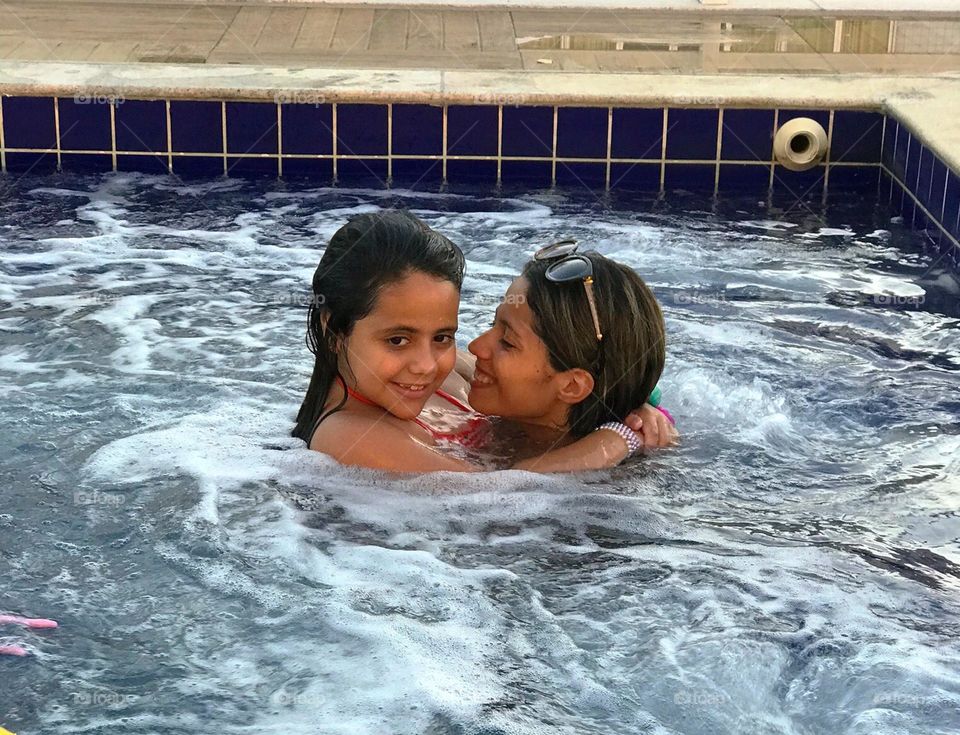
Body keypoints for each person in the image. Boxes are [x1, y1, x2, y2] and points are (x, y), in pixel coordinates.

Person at [291, 210, 674, 472]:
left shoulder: (446, 375)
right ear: (335, 331)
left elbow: (589, 374)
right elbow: (495, 495)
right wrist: (622, 438)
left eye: (442, 336)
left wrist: (636, 403)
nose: (427, 364)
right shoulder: (345, 435)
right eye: (397, 340)